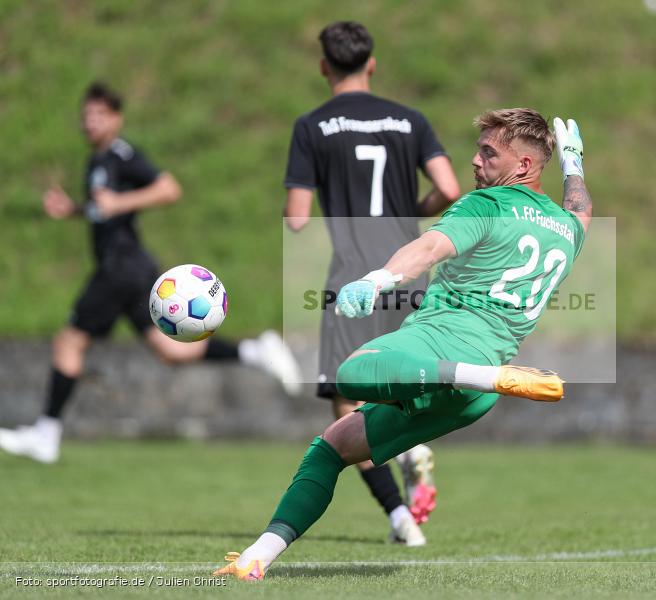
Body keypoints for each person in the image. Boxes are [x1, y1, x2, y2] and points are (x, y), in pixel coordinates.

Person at [214, 108, 591, 580]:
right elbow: (581, 210)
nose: (475, 161)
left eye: (489, 154)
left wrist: (377, 280)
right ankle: (255, 559)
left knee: (349, 375)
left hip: (440, 347)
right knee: (333, 446)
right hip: (474, 396)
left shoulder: (487, 206)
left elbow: (429, 248)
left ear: (523, 167)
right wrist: (574, 163)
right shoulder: (566, 229)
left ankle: (487, 377)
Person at [0, 82, 301, 465]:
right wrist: (74, 210)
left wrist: (120, 201)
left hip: (120, 268)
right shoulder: (97, 161)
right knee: (172, 351)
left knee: (69, 342)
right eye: (86, 115)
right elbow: (103, 209)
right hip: (130, 270)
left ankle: (46, 434)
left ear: (117, 119)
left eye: (99, 116)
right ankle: (255, 350)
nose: (90, 123)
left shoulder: (124, 155)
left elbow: (168, 188)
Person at [282, 21, 461, 546]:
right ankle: (411, 450)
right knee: (402, 382)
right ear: (372, 63)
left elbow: (296, 219)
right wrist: (410, 210)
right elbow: (449, 188)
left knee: (344, 404)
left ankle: (400, 515)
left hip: (351, 283)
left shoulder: (312, 125)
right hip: (406, 272)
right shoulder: (410, 120)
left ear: (323, 66)